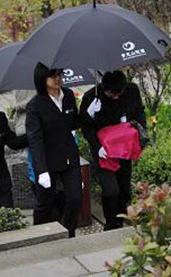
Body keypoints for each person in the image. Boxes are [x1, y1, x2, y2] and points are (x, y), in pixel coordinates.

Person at [80, 71, 146, 231]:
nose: (116, 97)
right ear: (104, 88)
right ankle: (110, 224)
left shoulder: (131, 90)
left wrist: (138, 132)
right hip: (104, 150)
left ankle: (121, 221)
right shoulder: (91, 97)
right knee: (111, 190)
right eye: (112, 93)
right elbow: (85, 127)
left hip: (124, 148)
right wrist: (90, 115)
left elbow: (140, 113)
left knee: (123, 189)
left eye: (119, 93)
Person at [26, 64, 82, 238]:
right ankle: (40, 235)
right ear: (43, 79)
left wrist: (89, 114)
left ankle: (68, 232)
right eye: (53, 76)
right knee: (45, 203)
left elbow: (73, 123)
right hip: (47, 160)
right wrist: (41, 171)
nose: (58, 79)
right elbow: (35, 140)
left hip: (68, 156)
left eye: (60, 74)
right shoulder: (35, 105)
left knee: (75, 198)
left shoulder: (69, 96)